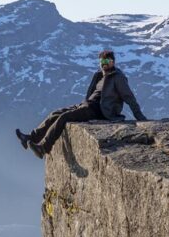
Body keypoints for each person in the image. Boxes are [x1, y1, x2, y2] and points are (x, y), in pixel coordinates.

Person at [16, 49, 148, 158]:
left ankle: (44, 147)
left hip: (100, 110)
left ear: (113, 62)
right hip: (88, 104)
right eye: (102, 61)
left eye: (107, 61)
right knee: (56, 113)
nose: (104, 64)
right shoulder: (99, 75)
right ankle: (31, 137)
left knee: (64, 117)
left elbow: (129, 97)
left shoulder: (118, 78)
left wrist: (140, 118)